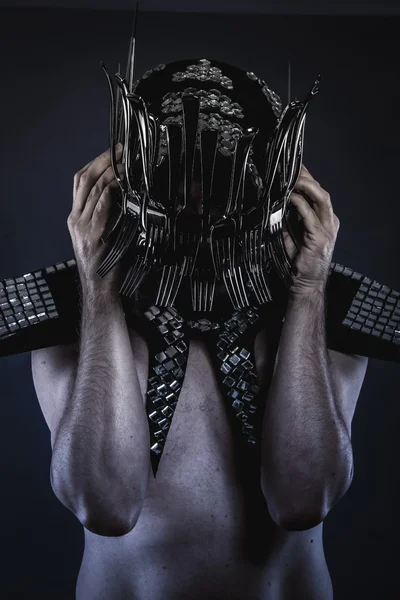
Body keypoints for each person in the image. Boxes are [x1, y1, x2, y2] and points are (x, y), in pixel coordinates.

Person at [30, 139, 369, 599]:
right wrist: (99, 286)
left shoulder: (334, 320)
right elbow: (104, 504)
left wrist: (309, 290)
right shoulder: (68, 322)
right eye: (179, 179)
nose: (200, 207)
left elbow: (305, 500)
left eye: (221, 178)